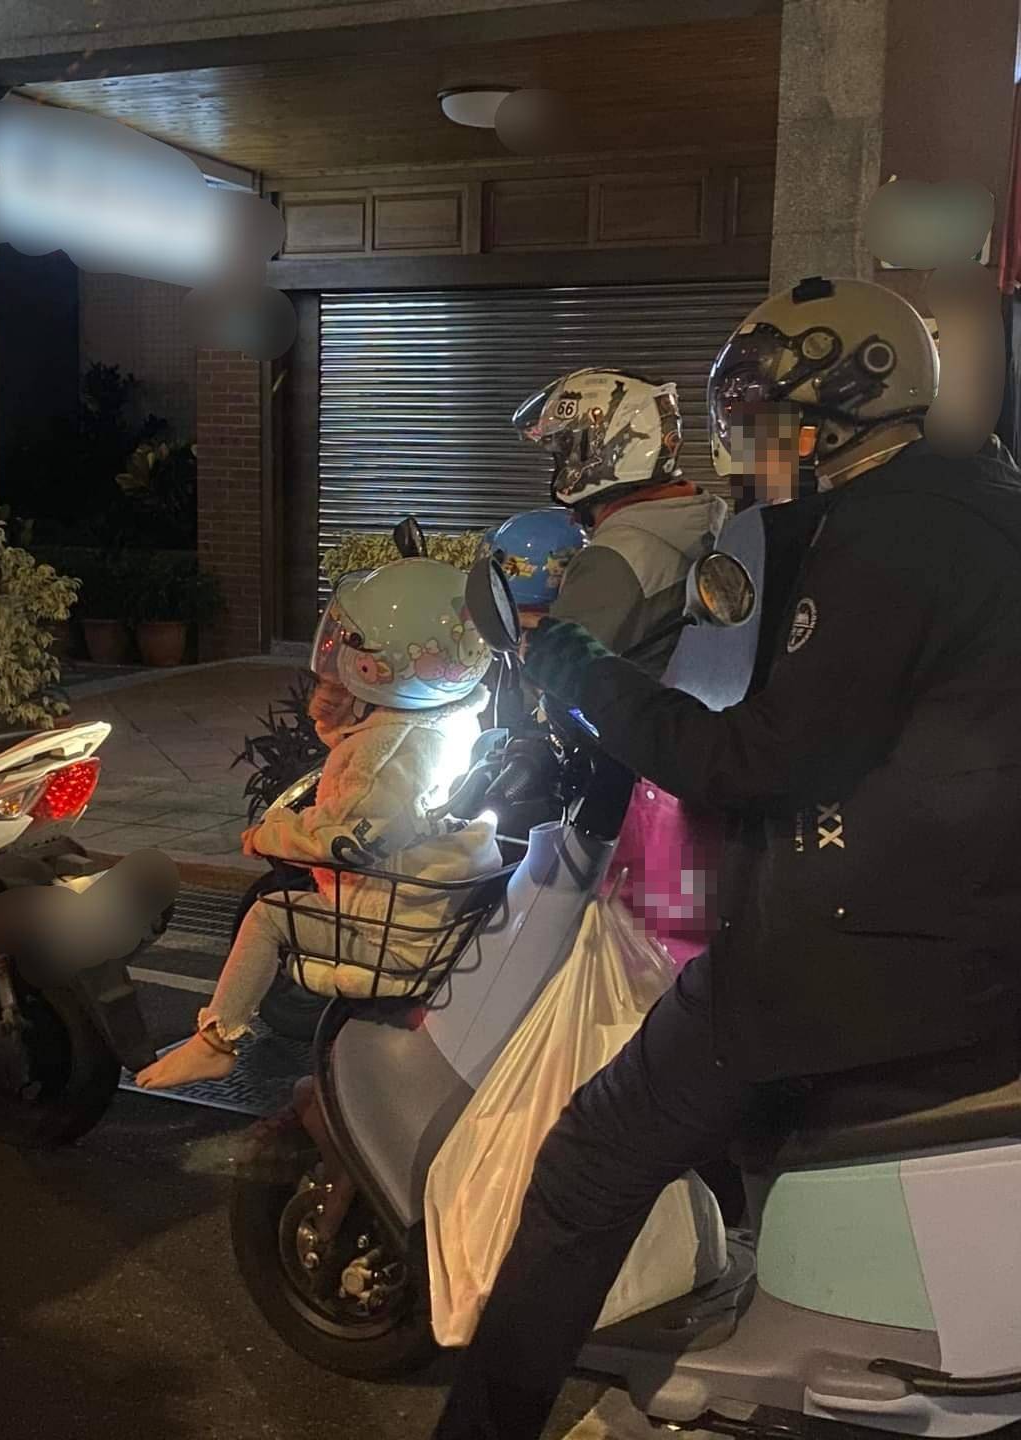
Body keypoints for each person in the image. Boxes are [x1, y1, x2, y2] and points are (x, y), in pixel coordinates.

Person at [431, 275, 1021, 1440]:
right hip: (976, 928)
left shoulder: (883, 537)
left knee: (590, 1157)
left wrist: (581, 676)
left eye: (759, 421)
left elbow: (756, 760)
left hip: (865, 951)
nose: (741, 449)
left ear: (837, 414)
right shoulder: (982, 495)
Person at [137, 557, 501, 1091]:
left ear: (386, 666)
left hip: (394, 931)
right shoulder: (443, 718)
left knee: (268, 915)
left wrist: (270, 834)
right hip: (425, 902)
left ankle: (215, 1041)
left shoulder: (384, 755)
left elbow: (344, 838)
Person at [512, 369, 726, 663]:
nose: (559, 466)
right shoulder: (700, 516)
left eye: (562, 454)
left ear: (597, 450)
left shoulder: (611, 559)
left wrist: (530, 649)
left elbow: (558, 679)